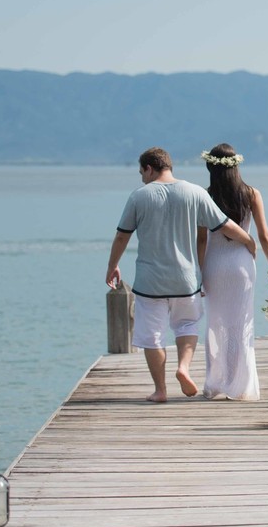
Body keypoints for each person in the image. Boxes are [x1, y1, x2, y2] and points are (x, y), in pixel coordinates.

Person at [106, 147, 256, 403]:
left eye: (141, 172)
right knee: (186, 325)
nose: (142, 177)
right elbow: (225, 225)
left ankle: (160, 390)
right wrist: (249, 242)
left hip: (150, 282)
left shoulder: (139, 196)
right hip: (186, 280)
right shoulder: (195, 192)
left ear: (149, 169)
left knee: (152, 336)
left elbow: (122, 236)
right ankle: (184, 367)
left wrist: (113, 266)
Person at [198, 143, 268, 401]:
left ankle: (216, 381)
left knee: (215, 323)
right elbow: (264, 236)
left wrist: (199, 274)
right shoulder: (251, 194)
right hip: (241, 265)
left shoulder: (204, 196)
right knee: (240, 324)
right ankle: (238, 384)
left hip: (214, 264)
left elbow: (201, 240)